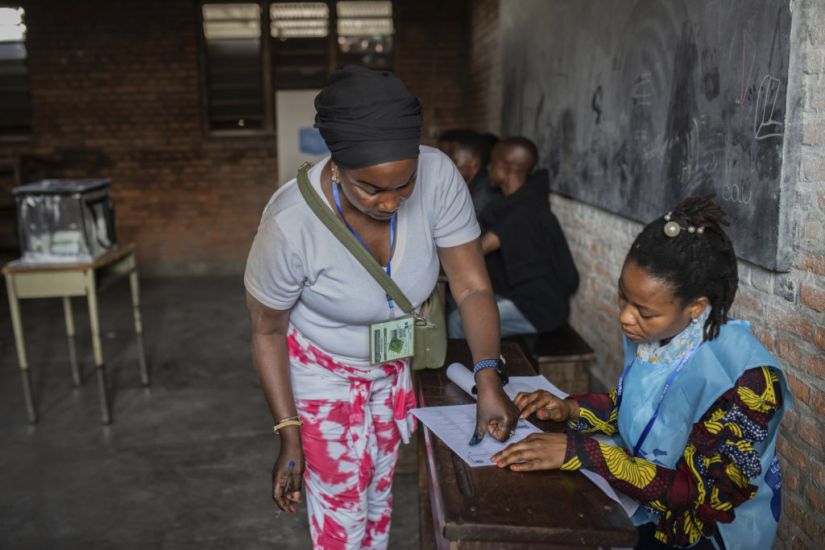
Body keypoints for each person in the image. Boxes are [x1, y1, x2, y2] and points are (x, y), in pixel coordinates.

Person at [244, 66, 518, 550]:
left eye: (403, 184)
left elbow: (473, 288)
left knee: (377, 495)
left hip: (391, 368)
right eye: (370, 188)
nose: (391, 203)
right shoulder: (291, 224)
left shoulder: (438, 178)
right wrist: (289, 432)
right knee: (341, 514)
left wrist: (488, 375)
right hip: (322, 374)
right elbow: (267, 331)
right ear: (336, 165)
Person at [491, 196, 790, 550]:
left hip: (705, 534)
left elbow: (697, 496)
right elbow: (630, 409)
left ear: (696, 308)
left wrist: (584, 451)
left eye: (644, 312)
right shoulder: (657, 335)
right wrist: (570, 409)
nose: (625, 317)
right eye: (623, 297)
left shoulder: (748, 381)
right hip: (646, 501)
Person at [448, 136, 579, 338]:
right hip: (515, 294)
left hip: (537, 307)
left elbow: (478, 249)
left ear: (507, 169)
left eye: (493, 163)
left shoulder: (523, 211)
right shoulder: (516, 202)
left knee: (460, 322)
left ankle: (471, 369)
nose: (488, 168)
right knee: (456, 301)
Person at [437, 129, 499, 215]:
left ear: (475, 163)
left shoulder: (485, 192)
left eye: (452, 161)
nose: (442, 167)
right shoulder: (466, 187)